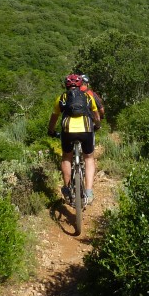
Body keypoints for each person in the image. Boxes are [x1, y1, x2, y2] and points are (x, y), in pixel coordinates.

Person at [47, 74, 101, 206]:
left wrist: (51, 131)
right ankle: (89, 192)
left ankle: (67, 189)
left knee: (66, 158)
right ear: (80, 85)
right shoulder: (88, 97)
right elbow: (96, 116)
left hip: (68, 132)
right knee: (89, 158)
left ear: (66, 86)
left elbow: (54, 118)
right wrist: (97, 126)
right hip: (86, 130)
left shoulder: (61, 98)